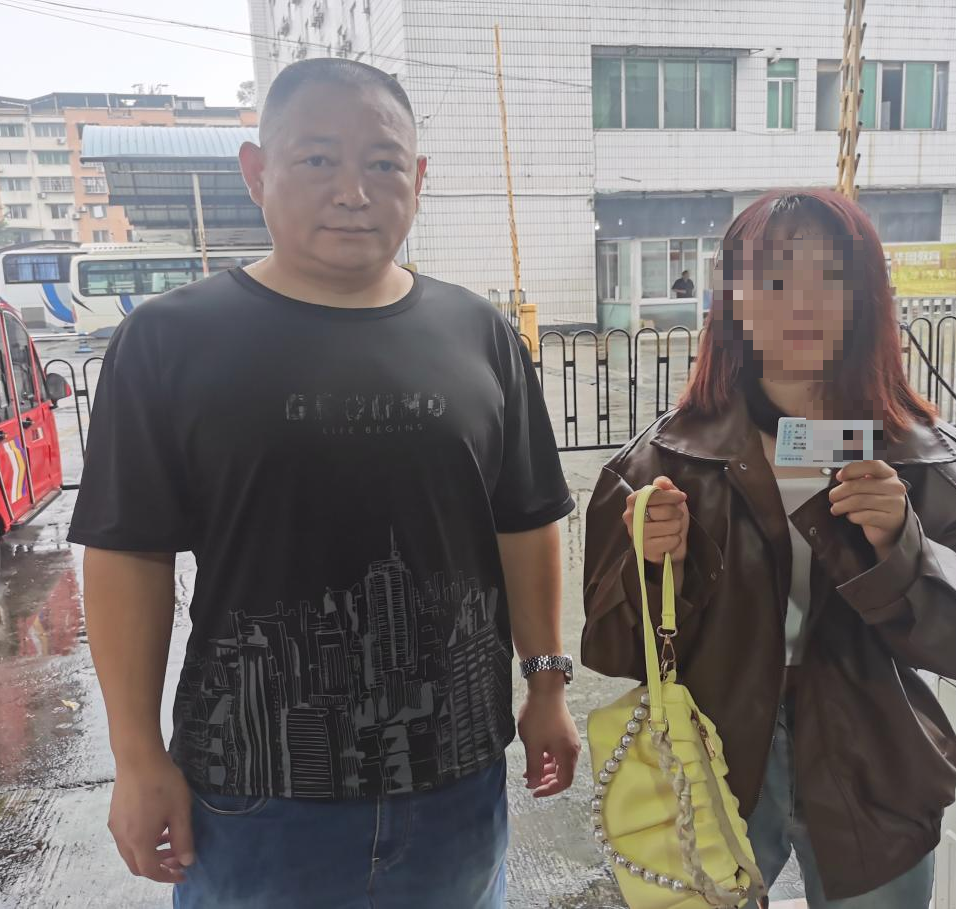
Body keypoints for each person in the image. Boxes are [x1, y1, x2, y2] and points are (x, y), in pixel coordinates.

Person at [69, 58, 580, 909]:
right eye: (317, 159)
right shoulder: (169, 341)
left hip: (453, 785)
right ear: (255, 171)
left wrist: (547, 685)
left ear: (418, 178)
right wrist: (136, 755)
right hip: (253, 796)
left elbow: (525, 521)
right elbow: (128, 555)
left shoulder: (479, 334)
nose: (353, 191)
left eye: (382, 163)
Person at [580, 189, 956, 908]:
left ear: (865, 296)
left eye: (829, 277)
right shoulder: (659, 465)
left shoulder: (933, 463)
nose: (801, 304)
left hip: (875, 762)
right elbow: (613, 647)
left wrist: (904, 546)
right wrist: (652, 567)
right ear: (731, 300)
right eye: (774, 280)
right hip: (707, 754)